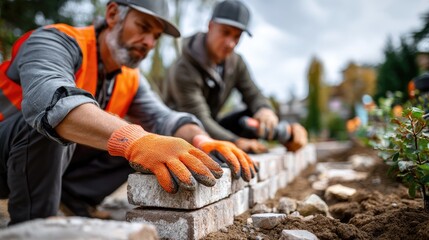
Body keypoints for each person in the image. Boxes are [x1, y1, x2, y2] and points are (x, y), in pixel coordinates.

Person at [0, 0, 257, 225]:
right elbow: (51, 101)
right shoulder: (53, 42)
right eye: (144, 28)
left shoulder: (130, 76)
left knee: (149, 138)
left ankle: (73, 198)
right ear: (112, 14)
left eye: (156, 36)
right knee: (57, 123)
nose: (149, 43)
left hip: (46, 167)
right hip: (5, 158)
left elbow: (162, 117)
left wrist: (202, 139)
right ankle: (35, 227)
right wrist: (136, 141)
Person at [163, 0, 308, 154]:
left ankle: (288, 137)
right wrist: (236, 142)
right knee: (198, 131)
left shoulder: (236, 62)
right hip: (181, 133)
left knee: (254, 116)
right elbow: (199, 118)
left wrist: (266, 112)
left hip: (212, 126)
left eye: (237, 36)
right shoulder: (184, 67)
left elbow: (253, 94)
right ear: (210, 26)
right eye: (225, 32)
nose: (230, 43)